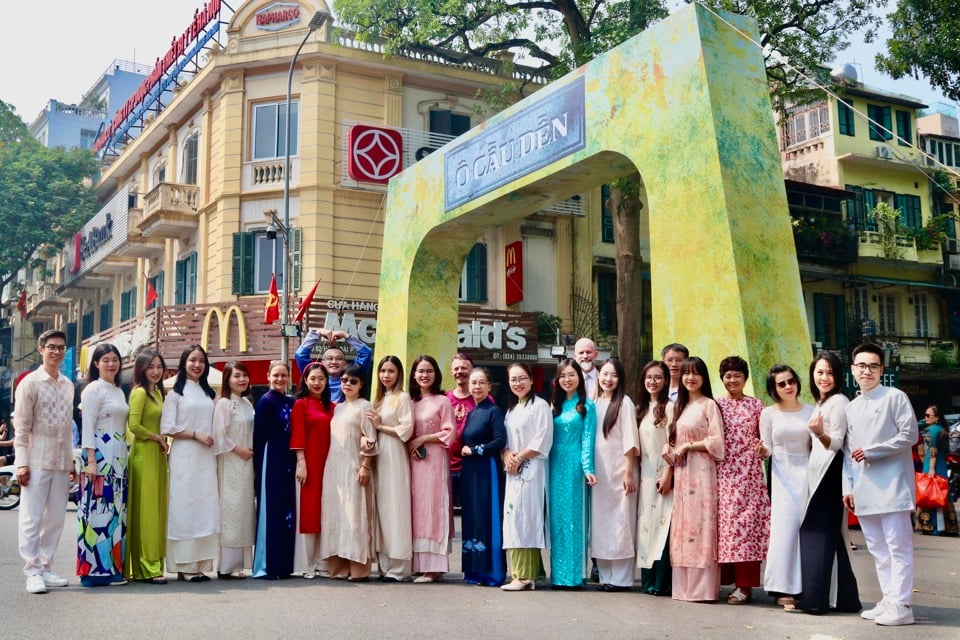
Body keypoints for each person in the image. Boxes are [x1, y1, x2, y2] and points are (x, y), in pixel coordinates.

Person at [844, 343, 919, 626]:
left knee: (898, 547)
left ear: (882, 370)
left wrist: (873, 450)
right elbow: (848, 453)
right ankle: (889, 599)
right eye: (861, 366)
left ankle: (902, 605)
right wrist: (847, 487)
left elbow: (909, 435)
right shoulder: (851, 407)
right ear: (853, 370)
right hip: (863, 488)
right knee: (877, 548)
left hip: (893, 486)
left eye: (873, 366)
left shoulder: (895, 397)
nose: (867, 371)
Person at [795, 352, 861, 614]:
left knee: (817, 536)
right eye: (819, 372)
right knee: (832, 539)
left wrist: (820, 434)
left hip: (830, 473)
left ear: (838, 376)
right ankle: (844, 599)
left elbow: (836, 443)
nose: (824, 377)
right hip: (819, 473)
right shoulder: (822, 402)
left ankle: (814, 601)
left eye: (829, 373)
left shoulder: (839, 402)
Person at [14, 330, 74, 594]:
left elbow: (69, 428)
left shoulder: (68, 384)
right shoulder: (30, 383)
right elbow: (22, 426)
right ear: (41, 350)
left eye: (61, 347)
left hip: (61, 461)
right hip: (36, 460)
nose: (56, 352)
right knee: (31, 517)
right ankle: (32, 571)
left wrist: (71, 462)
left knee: (56, 519)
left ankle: (46, 567)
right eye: (51, 347)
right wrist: (21, 463)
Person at [664, 356, 724, 602]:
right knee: (682, 526)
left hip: (702, 474)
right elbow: (671, 441)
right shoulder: (677, 407)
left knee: (701, 525)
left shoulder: (709, 405)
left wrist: (689, 445)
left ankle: (703, 589)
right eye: (686, 373)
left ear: (703, 377)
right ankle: (683, 588)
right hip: (682, 475)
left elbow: (717, 443)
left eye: (695, 373)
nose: (690, 377)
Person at [715, 356, 770, 605]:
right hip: (723, 476)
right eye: (728, 376)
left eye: (737, 375)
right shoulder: (715, 405)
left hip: (749, 477)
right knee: (725, 531)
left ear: (745, 378)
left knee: (748, 532)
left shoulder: (757, 406)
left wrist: (762, 449)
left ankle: (745, 586)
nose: (732, 380)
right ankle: (724, 581)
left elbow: (765, 439)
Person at [161, 345, 218, 582]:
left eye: (201, 361)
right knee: (184, 505)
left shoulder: (209, 394)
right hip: (185, 454)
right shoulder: (175, 393)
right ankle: (185, 565)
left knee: (205, 505)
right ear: (184, 363)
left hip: (206, 456)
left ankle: (202, 563)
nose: (197, 365)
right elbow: (167, 427)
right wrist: (196, 435)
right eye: (192, 360)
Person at [757, 364, 812, 610]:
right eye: (782, 384)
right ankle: (782, 588)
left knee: (807, 530)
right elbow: (766, 447)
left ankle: (808, 585)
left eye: (791, 381)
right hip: (782, 478)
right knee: (784, 531)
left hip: (809, 475)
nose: (788, 386)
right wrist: (762, 451)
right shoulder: (768, 414)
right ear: (773, 389)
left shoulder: (812, 412)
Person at [77, 343, 129, 587]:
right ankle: (92, 572)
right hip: (99, 458)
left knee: (115, 515)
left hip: (119, 459)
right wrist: (90, 460)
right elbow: (87, 426)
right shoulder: (92, 390)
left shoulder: (118, 390)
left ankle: (112, 568)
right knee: (97, 514)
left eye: (115, 359)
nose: (111, 364)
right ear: (96, 363)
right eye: (105, 359)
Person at [321, 364, 378, 580]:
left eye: (353, 381)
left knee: (356, 516)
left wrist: (365, 466)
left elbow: (371, 439)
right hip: (334, 469)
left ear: (361, 384)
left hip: (355, 467)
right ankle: (339, 567)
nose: (347, 384)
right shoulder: (337, 408)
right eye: (344, 380)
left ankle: (359, 569)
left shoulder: (365, 407)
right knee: (336, 515)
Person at [501, 362, 553, 592]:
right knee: (513, 518)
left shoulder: (540, 406)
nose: (517, 383)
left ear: (532, 380)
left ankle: (524, 575)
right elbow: (505, 441)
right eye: (513, 379)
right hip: (513, 470)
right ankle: (529, 572)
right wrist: (506, 455)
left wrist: (519, 457)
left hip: (532, 469)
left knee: (526, 519)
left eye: (522, 378)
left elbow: (543, 440)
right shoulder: (512, 410)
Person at [591, 358, 639, 592]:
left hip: (621, 471)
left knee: (622, 523)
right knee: (601, 524)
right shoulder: (596, 403)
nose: (608, 379)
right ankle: (605, 575)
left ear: (620, 379)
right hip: (600, 474)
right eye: (604, 374)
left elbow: (630, 441)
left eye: (614, 375)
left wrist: (629, 473)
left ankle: (621, 578)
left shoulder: (625, 403)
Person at [548, 358, 597, 589]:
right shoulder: (552, 406)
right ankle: (559, 574)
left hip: (575, 464)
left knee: (575, 519)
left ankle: (576, 575)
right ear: (557, 380)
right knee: (557, 518)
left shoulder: (587, 406)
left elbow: (587, 439)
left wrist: (588, 468)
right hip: (553, 464)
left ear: (580, 377)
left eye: (572, 375)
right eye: (563, 376)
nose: (567, 379)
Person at [408, 355, 456, 583]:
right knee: (416, 510)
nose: (424, 375)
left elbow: (449, 431)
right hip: (413, 461)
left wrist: (423, 438)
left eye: (429, 371)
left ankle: (434, 567)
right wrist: (413, 443)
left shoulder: (442, 401)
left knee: (434, 508)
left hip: (435, 461)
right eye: (420, 371)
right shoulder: (410, 401)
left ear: (436, 374)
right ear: (414, 375)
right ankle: (419, 564)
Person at [459, 367, 507, 587]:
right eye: (473, 383)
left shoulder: (493, 411)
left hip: (486, 469)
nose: (476, 387)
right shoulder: (472, 412)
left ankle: (492, 572)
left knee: (487, 518)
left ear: (489, 386)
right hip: (470, 471)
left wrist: (476, 449)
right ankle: (475, 570)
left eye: (481, 383)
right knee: (473, 518)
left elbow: (499, 441)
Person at [367, 355, 413, 581]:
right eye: (383, 371)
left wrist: (380, 426)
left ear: (399, 374)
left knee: (396, 509)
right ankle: (385, 565)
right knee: (381, 509)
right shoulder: (378, 399)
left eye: (391, 371)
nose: (386, 375)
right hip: (378, 455)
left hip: (394, 454)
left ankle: (400, 568)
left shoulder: (402, 398)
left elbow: (407, 430)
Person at [125, 350, 169, 584]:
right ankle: (145, 566)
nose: (155, 371)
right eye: (150, 367)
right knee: (146, 511)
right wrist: (156, 437)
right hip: (144, 454)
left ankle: (153, 562)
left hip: (158, 455)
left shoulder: (157, 393)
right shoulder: (140, 392)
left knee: (157, 509)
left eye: (159, 367)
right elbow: (133, 425)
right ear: (141, 369)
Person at [253, 361, 297, 579]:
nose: (280, 379)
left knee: (286, 514)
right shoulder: (266, 402)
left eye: (284, 375)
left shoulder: (290, 401)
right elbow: (259, 438)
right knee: (271, 512)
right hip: (271, 462)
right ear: (268, 376)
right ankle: (268, 565)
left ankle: (284, 565)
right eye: (276, 375)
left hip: (288, 462)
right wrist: (258, 471)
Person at [212, 361, 256, 579]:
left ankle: (237, 564)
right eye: (236, 376)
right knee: (230, 510)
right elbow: (219, 437)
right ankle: (225, 566)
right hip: (230, 462)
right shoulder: (224, 404)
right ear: (227, 379)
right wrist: (239, 450)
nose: (241, 380)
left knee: (243, 512)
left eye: (244, 376)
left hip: (247, 464)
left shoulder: (247, 403)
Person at [290, 362, 333, 579]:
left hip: (330, 465)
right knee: (308, 512)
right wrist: (301, 462)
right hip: (309, 464)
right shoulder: (301, 405)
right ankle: (305, 563)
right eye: (313, 378)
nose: (317, 383)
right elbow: (297, 434)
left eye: (321, 379)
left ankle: (322, 562)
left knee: (325, 512)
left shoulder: (332, 406)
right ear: (305, 381)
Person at [635, 361, 674, 596]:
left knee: (662, 527)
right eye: (649, 377)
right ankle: (646, 580)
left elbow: (673, 443)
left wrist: (668, 475)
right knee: (645, 528)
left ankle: (660, 582)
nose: (652, 381)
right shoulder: (640, 408)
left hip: (662, 476)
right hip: (644, 476)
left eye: (658, 377)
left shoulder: (669, 408)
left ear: (666, 380)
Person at [295, 328, 372, 402]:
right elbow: (300, 355)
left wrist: (346, 335)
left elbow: (366, 353)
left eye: (339, 358)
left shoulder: (351, 379)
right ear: (322, 363)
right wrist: (317, 333)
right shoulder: (315, 378)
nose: (334, 362)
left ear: (345, 364)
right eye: (330, 358)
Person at [917, 405, 959, 536]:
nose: (925, 418)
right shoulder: (943, 430)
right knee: (941, 496)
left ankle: (932, 526)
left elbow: (933, 450)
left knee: (929, 495)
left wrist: (930, 468)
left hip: (933, 464)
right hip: (941, 464)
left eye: (928, 415)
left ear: (937, 417)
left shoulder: (934, 430)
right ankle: (947, 526)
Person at [446, 352, 477, 513]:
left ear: (472, 370)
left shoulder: (482, 399)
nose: (460, 371)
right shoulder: (444, 398)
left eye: (464, 368)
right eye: (456, 368)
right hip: (446, 465)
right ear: (451, 372)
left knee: (473, 513)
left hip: (472, 466)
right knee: (443, 513)